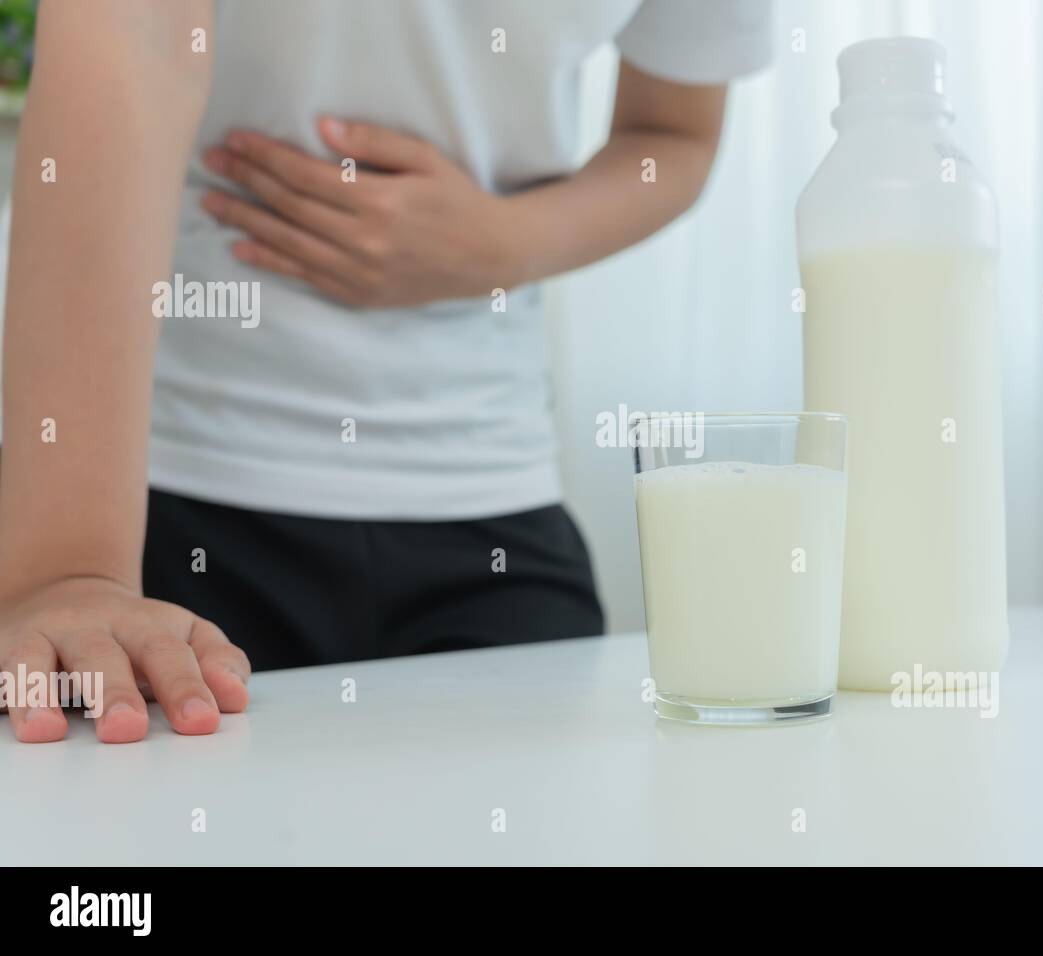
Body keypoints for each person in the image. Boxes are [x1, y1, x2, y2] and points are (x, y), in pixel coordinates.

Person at [0, 0, 772, 743]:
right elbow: (130, 32)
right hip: (168, 503)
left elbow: (672, 133)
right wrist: (69, 572)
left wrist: (500, 247)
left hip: (493, 501)